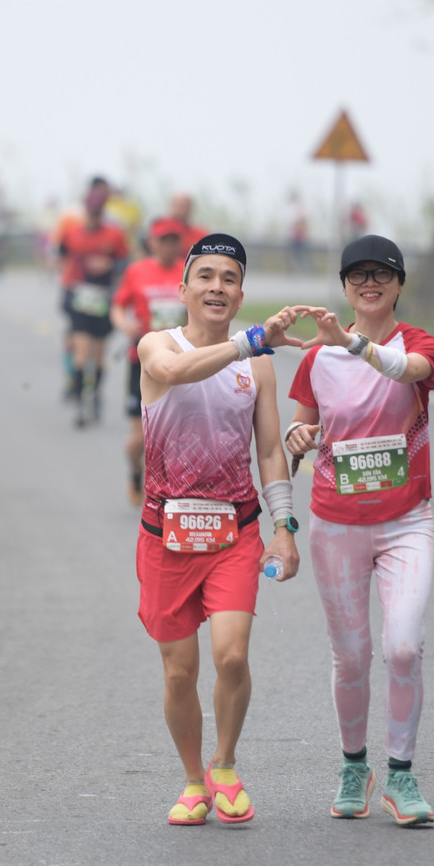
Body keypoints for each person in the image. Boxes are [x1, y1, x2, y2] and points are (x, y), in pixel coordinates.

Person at [136, 232, 303, 827]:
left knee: (231, 657)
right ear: (183, 289)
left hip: (236, 534)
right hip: (167, 539)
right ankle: (191, 781)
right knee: (179, 671)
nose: (216, 287)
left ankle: (224, 764)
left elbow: (269, 453)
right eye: (205, 276)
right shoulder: (157, 343)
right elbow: (175, 373)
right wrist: (249, 341)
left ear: (239, 294)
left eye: (229, 279)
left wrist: (284, 527)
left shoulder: (257, 365)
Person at [283, 234, 434, 826]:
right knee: (351, 658)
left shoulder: (416, 343)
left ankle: (401, 777)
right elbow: (300, 434)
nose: (369, 283)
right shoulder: (316, 359)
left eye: (381, 273)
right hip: (336, 524)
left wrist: (353, 343)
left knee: (403, 645)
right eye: (357, 275)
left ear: (399, 284)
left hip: (405, 522)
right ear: (345, 287)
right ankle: (355, 766)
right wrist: (299, 439)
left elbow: (409, 370)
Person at [111, 217, 187, 506]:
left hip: (180, 361)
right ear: (151, 242)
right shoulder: (136, 271)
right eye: (162, 239)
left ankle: (173, 492)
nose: (168, 245)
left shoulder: (188, 271)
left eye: (173, 239)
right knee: (138, 440)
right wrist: (124, 324)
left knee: (177, 433)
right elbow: (118, 306)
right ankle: (135, 471)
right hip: (142, 361)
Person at [54, 176, 129, 426]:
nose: (94, 217)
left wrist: (109, 264)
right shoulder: (73, 232)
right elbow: (61, 253)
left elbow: (124, 262)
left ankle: (94, 393)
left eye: (98, 213)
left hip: (103, 298)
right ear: (85, 210)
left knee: (98, 354)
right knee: (80, 351)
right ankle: (78, 394)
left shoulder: (114, 234)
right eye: (90, 212)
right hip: (78, 295)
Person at [287, 190, 309, 273]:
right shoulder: (293, 208)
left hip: (299, 237)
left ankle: (304, 271)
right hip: (294, 237)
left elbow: (303, 222)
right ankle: (294, 271)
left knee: (301, 255)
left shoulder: (300, 208)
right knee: (296, 255)